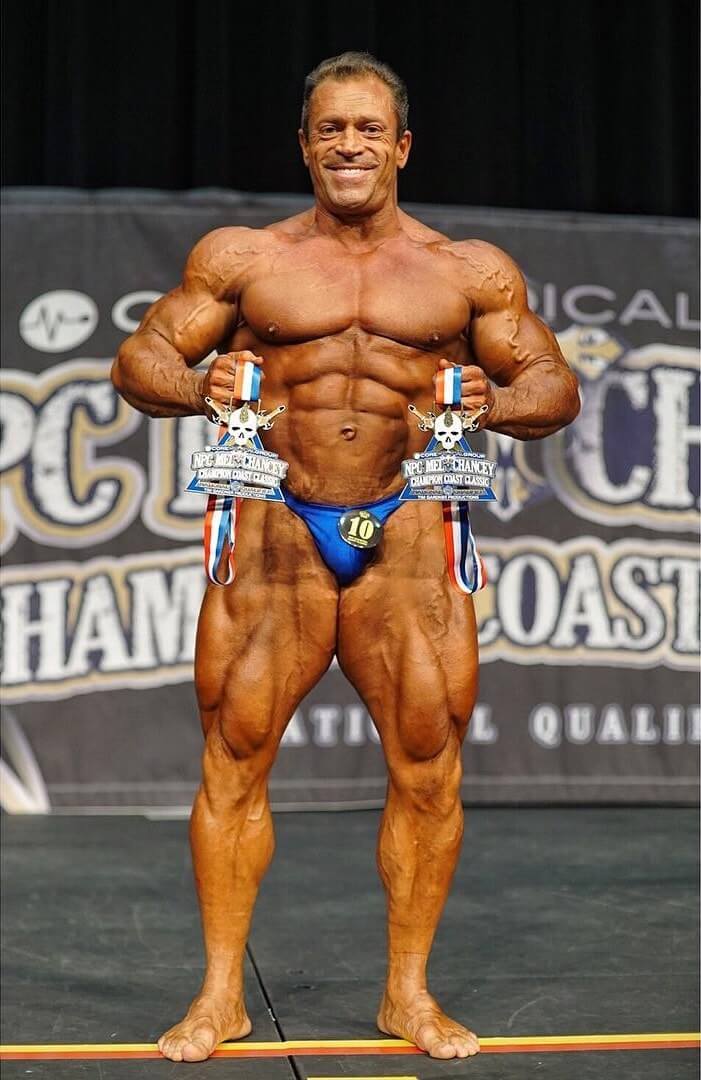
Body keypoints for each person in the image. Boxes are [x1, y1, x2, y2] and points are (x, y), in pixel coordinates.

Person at [111, 51, 580, 1062]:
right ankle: (219, 997)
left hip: (408, 533)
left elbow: (552, 382)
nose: (349, 145)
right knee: (231, 761)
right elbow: (141, 357)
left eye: (367, 129)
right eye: (330, 129)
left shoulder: (466, 272)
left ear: (401, 145)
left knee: (426, 769)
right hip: (277, 529)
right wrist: (201, 389)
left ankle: (406, 996)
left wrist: (488, 402)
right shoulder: (244, 259)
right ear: (304, 145)